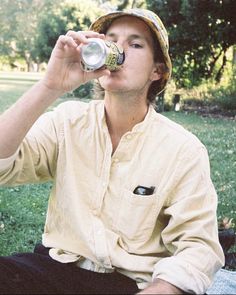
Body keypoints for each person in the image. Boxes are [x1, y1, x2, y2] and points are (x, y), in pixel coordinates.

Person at [0, 8, 224, 294]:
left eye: (135, 43)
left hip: (128, 283)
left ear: (158, 70)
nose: (119, 50)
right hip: (56, 268)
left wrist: (162, 289)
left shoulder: (183, 150)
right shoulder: (67, 121)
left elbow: (198, 246)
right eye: (112, 41)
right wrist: (49, 86)